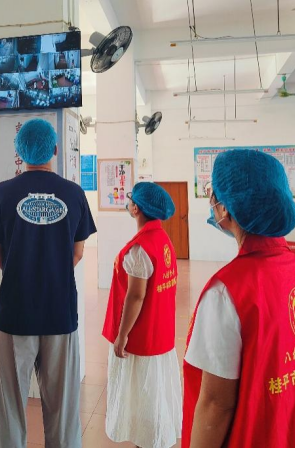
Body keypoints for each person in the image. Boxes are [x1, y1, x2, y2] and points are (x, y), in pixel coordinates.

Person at [183, 150, 295, 448]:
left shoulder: (226, 292)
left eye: (213, 194)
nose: (211, 201)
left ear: (226, 209)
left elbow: (217, 404)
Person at [0, 118, 97, 449]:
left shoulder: (0, 194)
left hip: (14, 313)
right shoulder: (74, 193)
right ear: (55, 150)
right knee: (62, 408)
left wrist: (23, 269)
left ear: (20, 152)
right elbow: (77, 252)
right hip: (60, 312)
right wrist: (51, 270)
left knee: (11, 406)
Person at [102, 182, 182, 448]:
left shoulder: (140, 248)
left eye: (130, 200)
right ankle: (153, 438)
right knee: (155, 392)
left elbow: (136, 296)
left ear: (136, 208)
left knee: (142, 393)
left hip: (141, 337)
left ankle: (146, 440)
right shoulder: (163, 240)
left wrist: (122, 335)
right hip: (160, 333)